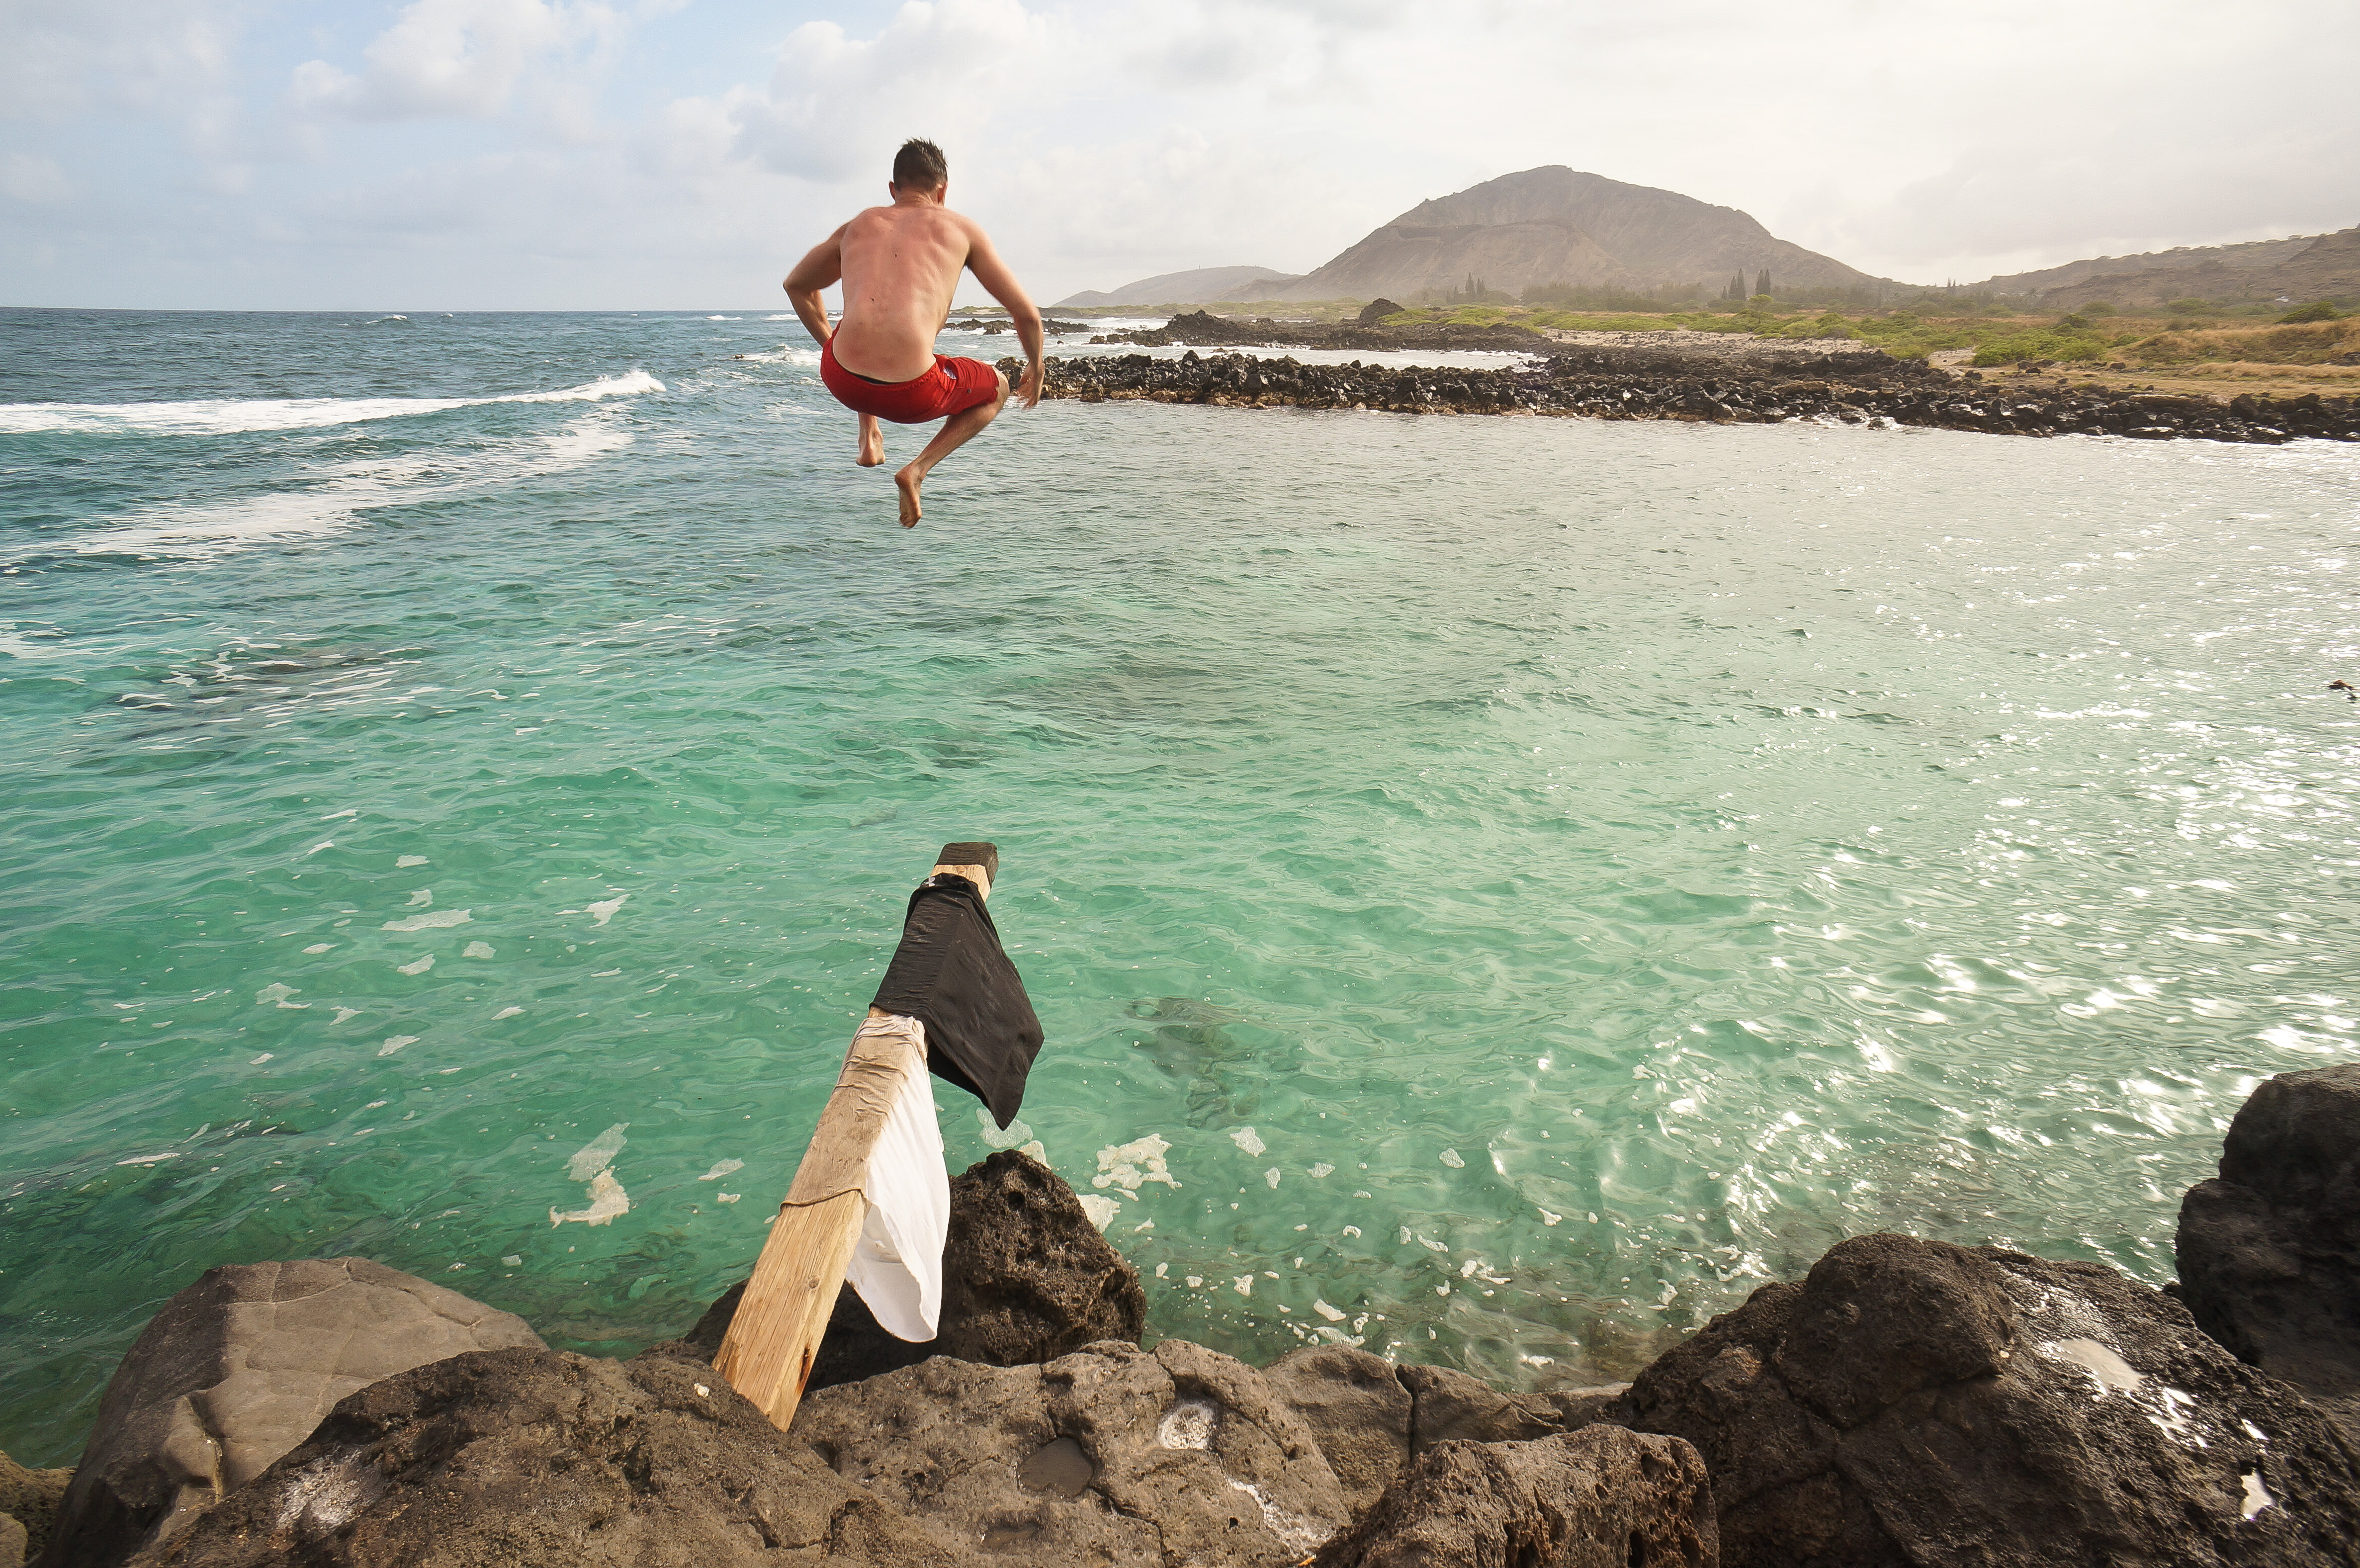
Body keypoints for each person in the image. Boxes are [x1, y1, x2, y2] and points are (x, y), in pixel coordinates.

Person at [783, 139, 1045, 527]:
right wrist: (1036, 370)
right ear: (943, 191)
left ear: (893, 189)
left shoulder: (857, 225)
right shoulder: (961, 229)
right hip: (912, 393)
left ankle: (869, 435)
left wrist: (830, 347)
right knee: (1000, 388)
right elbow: (1027, 316)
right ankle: (917, 470)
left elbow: (796, 285)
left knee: (855, 322)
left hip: (840, 379)